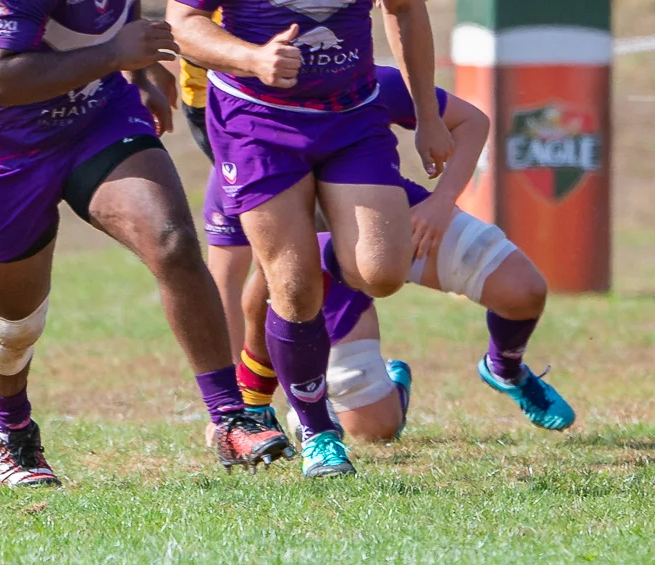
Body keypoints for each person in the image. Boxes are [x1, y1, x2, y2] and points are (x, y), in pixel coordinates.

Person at [0, 0, 288, 486]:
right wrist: (115, 55)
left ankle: (231, 419)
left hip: (96, 117)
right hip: (2, 151)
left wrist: (140, 78)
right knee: (15, 326)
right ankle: (12, 429)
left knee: (173, 241)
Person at [166, 0, 451, 478]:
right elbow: (184, 23)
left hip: (351, 115)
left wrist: (426, 114)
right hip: (258, 121)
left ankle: (310, 341)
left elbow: (408, 11)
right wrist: (253, 59)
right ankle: (318, 429)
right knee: (292, 288)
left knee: (381, 270)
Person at [213, 66, 573, 442]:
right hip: (318, 260)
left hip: (393, 222)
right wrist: (249, 403)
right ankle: (319, 396)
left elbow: (470, 121)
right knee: (375, 430)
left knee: (524, 290)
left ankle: (505, 368)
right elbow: (258, 289)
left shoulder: (361, 80)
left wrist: (442, 202)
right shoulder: (243, 110)